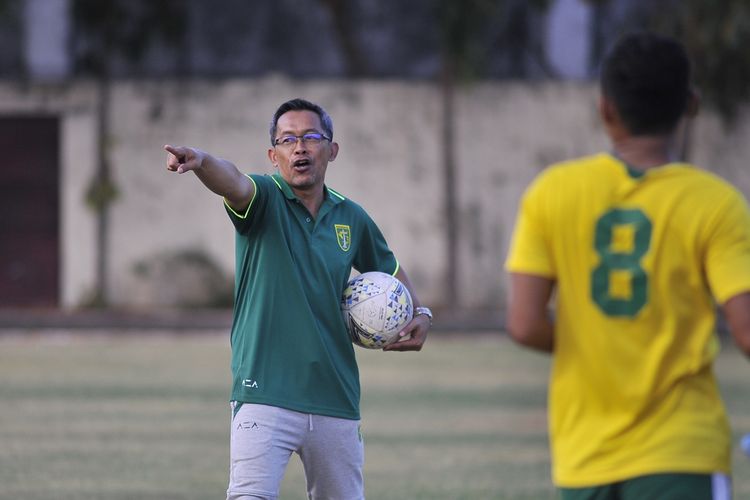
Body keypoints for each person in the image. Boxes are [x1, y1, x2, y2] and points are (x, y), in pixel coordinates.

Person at [505, 32, 750, 500]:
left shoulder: (552, 191)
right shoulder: (716, 204)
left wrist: (594, 340)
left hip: (585, 457)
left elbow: (524, 324)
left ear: (606, 109)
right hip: (683, 453)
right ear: (691, 105)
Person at [164, 98, 432, 500]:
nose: (300, 148)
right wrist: (201, 161)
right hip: (263, 392)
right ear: (274, 155)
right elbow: (232, 181)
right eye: (287, 140)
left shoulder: (351, 217)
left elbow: (392, 273)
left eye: (311, 137)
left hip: (335, 396)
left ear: (332, 149)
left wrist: (422, 313)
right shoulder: (264, 198)